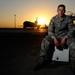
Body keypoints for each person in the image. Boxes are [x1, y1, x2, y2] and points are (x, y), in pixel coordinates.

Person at [34, 4, 75, 73]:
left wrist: (65, 38)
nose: (61, 12)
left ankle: (73, 63)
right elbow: (50, 30)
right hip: (55, 37)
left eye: (62, 10)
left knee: (73, 42)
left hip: (65, 37)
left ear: (64, 11)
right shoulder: (53, 19)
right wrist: (54, 38)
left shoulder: (68, 19)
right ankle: (41, 60)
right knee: (45, 40)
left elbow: (72, 30)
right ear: (57, 11)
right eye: (59, 10)